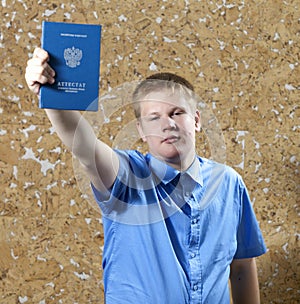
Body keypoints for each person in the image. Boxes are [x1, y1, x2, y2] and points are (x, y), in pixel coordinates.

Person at [25, 47, 267, 304]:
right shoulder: (126, 176)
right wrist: (49, 93)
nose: (168, 124)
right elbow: (84, 146)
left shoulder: (228, 182)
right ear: (140, 130)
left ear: (196, 120)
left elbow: (241, 268)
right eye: (154, 118)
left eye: (177, 113)